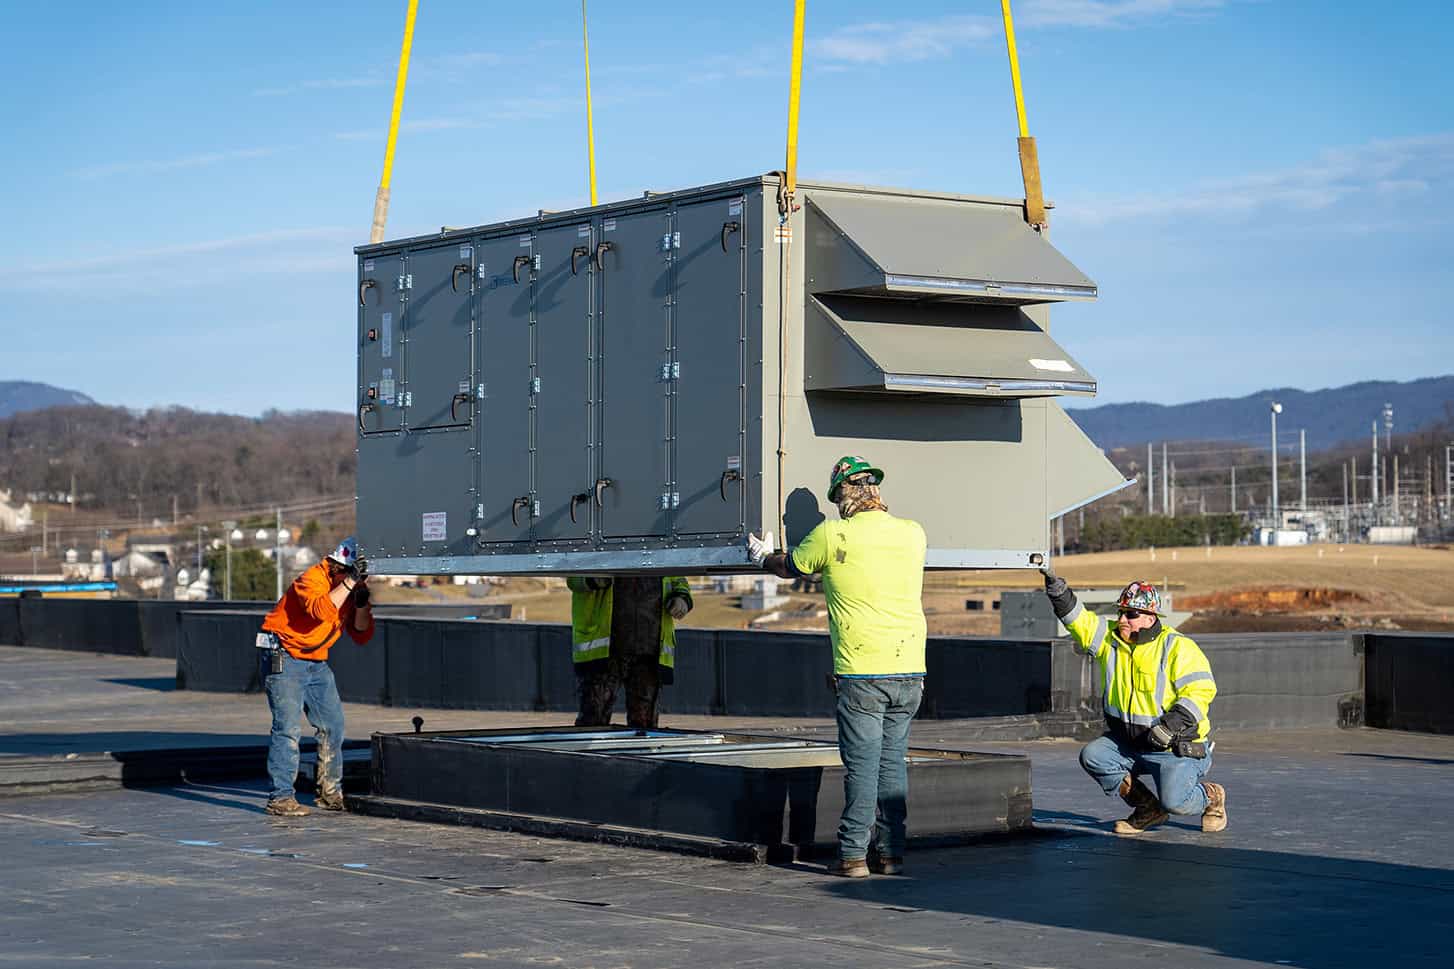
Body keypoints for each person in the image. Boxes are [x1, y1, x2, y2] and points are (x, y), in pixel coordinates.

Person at [748, 455, 927, 878]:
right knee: (891, 766)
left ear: (842, 495)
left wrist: (761, 556)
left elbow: (789, 567)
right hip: (910, 668)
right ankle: (891, 854)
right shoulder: (913, 533)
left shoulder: (832, 534)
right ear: (875, 490)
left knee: (863, 768)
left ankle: (851, 856)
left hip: (862, 670)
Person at [1041, 566, 1227, 834]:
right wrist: (1059, 593)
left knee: (1177, 802)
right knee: (1094, 756)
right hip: (1131, 743)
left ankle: (1211, 796)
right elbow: (1080, 622)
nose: (1123, 619)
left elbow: (1200, 692)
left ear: (1150, 617)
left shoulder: (1177, 647)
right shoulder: (1111, 640)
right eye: (1121, 612)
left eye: (1131, 614)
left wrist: (1169, 726)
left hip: (1174, 747)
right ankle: (1149, 809)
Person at [256, 537, 374, 817]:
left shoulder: (349, 587)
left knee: (333, 725)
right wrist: (349, 584)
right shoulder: (311, 579)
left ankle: (329, 793)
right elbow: (320, 610)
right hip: (284, 653)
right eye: (350, 572)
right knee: (287, 729)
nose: (354, 579)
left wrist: (360, 603)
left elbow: (361, 632)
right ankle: (281, 798)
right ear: (337, 566)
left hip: (315, 661)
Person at [566, 575, 693, 728]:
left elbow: (678, 578)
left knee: (644, 725)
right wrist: (593, 580)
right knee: (593, 720)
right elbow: (574, 579)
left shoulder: (662, 552)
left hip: (649, 651)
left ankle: (641, 752)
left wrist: (682, 597)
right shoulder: (595, 551)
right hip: (605, 651)